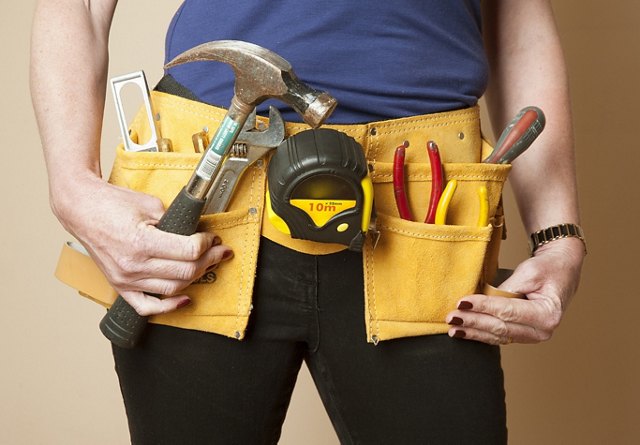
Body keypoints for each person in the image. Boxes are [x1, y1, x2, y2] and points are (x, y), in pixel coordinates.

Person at [31, 1, 585, 443]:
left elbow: (518, 17)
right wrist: (71, 187)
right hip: (201, 206)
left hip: (422, 208)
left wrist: (558, 237)